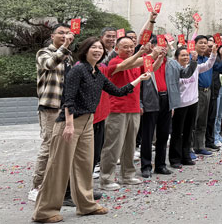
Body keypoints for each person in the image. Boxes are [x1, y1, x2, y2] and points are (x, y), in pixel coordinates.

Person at [31, 37, 150, 223]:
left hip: (88, 122)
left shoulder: (97, 72)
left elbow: (118, 91)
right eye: (93, 47)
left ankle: (86, 205)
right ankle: (44, 211)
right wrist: (69, 125)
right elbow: (68, 98)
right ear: (85, 50)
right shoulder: (78, 69)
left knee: (84, 166)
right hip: (70, 123)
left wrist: (138, 80)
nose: (97, 50)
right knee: (58, 167)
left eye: (100, 48)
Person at [99, 37, 162, 190]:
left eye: (131, 47)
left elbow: (150, 69)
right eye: (125, 47)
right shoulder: (114, 62)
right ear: (117, 49)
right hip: (117, 109)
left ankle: (127, 175)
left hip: (133, 108)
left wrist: (159, 57)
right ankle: (106, 179)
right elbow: (126, 64)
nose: (129, 49)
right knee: (113, 145)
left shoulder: (136, 62)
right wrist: (144, 54)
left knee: (130, 144)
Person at [29, 24, 74, 203]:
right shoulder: (44, 53)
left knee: (64, 146)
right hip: (50, 106)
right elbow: (50, 64)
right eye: (61, 33)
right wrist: (65, 47)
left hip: (67, 107)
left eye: (67, 33)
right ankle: (37, 185)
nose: (64, 36)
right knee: (48, 145)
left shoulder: (69, 56)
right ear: (52, 35)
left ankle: (60, 186)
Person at [170, 44, 215, 168]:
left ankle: (186, 156)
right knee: (177, 133)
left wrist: (213, 53)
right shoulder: (174, 70)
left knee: (188, 131)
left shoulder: (194, 67)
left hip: (193, 103)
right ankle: (175, 159)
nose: (185, 57)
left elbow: (208, 65)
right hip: (179, 105)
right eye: (182, 55)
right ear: (176, 58)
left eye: (187, 55)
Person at [138, 37, 173, 178]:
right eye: (160, 45)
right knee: (147, 135)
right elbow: (143, 79)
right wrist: (140, 102)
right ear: (152, 46)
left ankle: (160, 164)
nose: (163, 48)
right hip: (151, 99)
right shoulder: (145, 60)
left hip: (166, 99)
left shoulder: (169, 62)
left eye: (165, 46)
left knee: (163, 134)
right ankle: (146, 166)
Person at [193, 35, 222, 155]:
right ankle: (190, 147)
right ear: (195, 44)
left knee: (203, 121)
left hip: (208, 91)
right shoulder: (192, 59)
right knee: (194, 122)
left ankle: (200, 146)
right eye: (200, 43)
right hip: (197, 92)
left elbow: (215, 65)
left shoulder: (207, 59)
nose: (203, 45)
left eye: (205, 43)